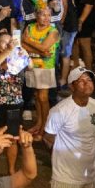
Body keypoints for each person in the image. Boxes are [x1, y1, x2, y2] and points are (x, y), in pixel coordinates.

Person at [44, 67, 95, 188]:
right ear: (72, 86)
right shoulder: (60, 110)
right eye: (81, 81)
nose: (87, 83)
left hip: (89, 174)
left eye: (89, 80)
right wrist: (62, 158)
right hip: (66, 177)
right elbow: (48, 138)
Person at [0, 33, 27, 175]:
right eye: (3, 43)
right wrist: (8, 50)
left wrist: (23, 52)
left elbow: (32, 66)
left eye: (10, 42)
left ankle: (11, 171)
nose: (8, 44)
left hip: (15, 105)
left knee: (12, 140)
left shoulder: (17, 60)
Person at [22, 7, 60, 140]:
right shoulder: (30, 27)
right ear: (36, 15)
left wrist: (28, 42)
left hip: (45, 68)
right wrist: (40, 52)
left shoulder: (53, 31)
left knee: (43, 98)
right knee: (36, 96)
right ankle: (39, 123)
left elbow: (45, 47)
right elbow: (22, 45)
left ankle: (46, 127)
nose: (46, 18)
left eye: (49, 15)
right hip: (31, 65)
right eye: (43, 15)